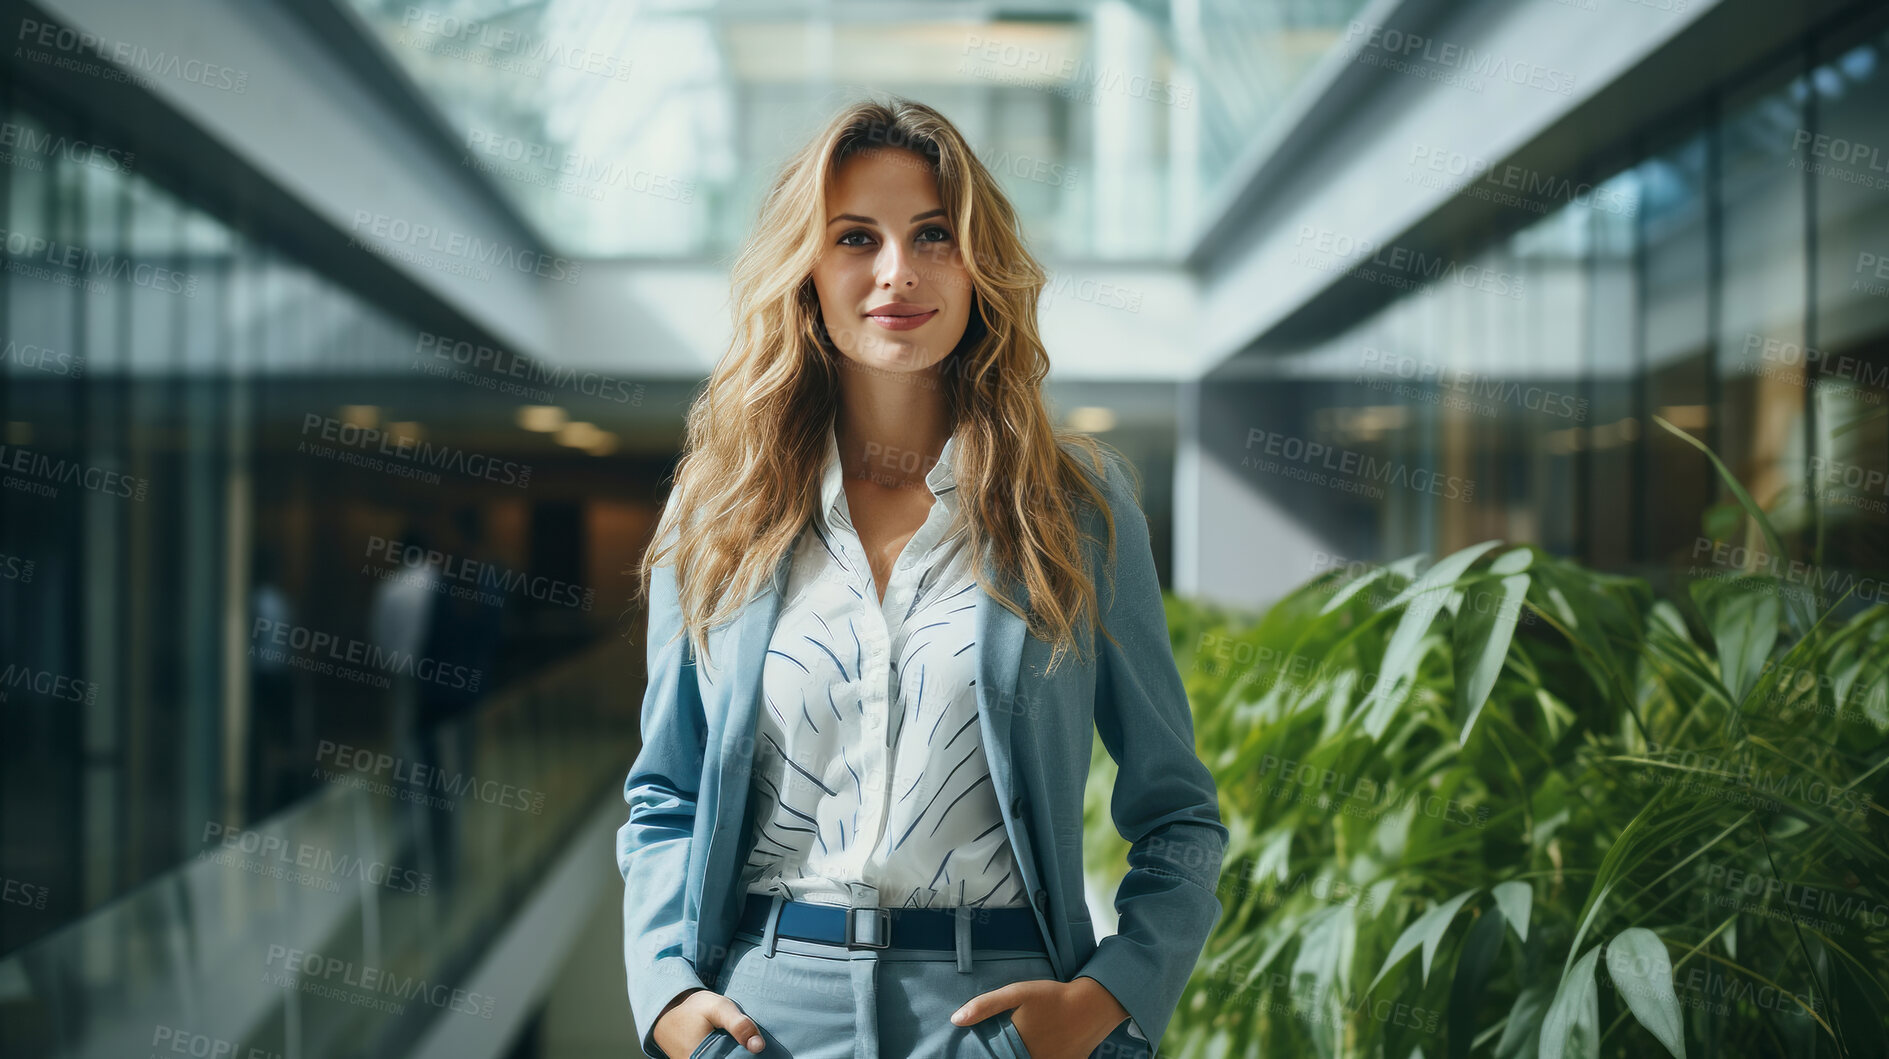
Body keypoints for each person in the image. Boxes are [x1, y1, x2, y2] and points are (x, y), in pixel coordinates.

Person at [619, 96, 1227, 1059]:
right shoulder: (719, 511)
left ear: (978, 266)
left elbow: (1177, 812)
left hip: (997, 1014)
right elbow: (667, 796)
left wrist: (1111, 995)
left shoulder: (1076, 508)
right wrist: (666, 996)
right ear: (806, 270)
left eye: (934, 235)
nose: (897, 271)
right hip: (765, 1016)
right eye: (856, 236)